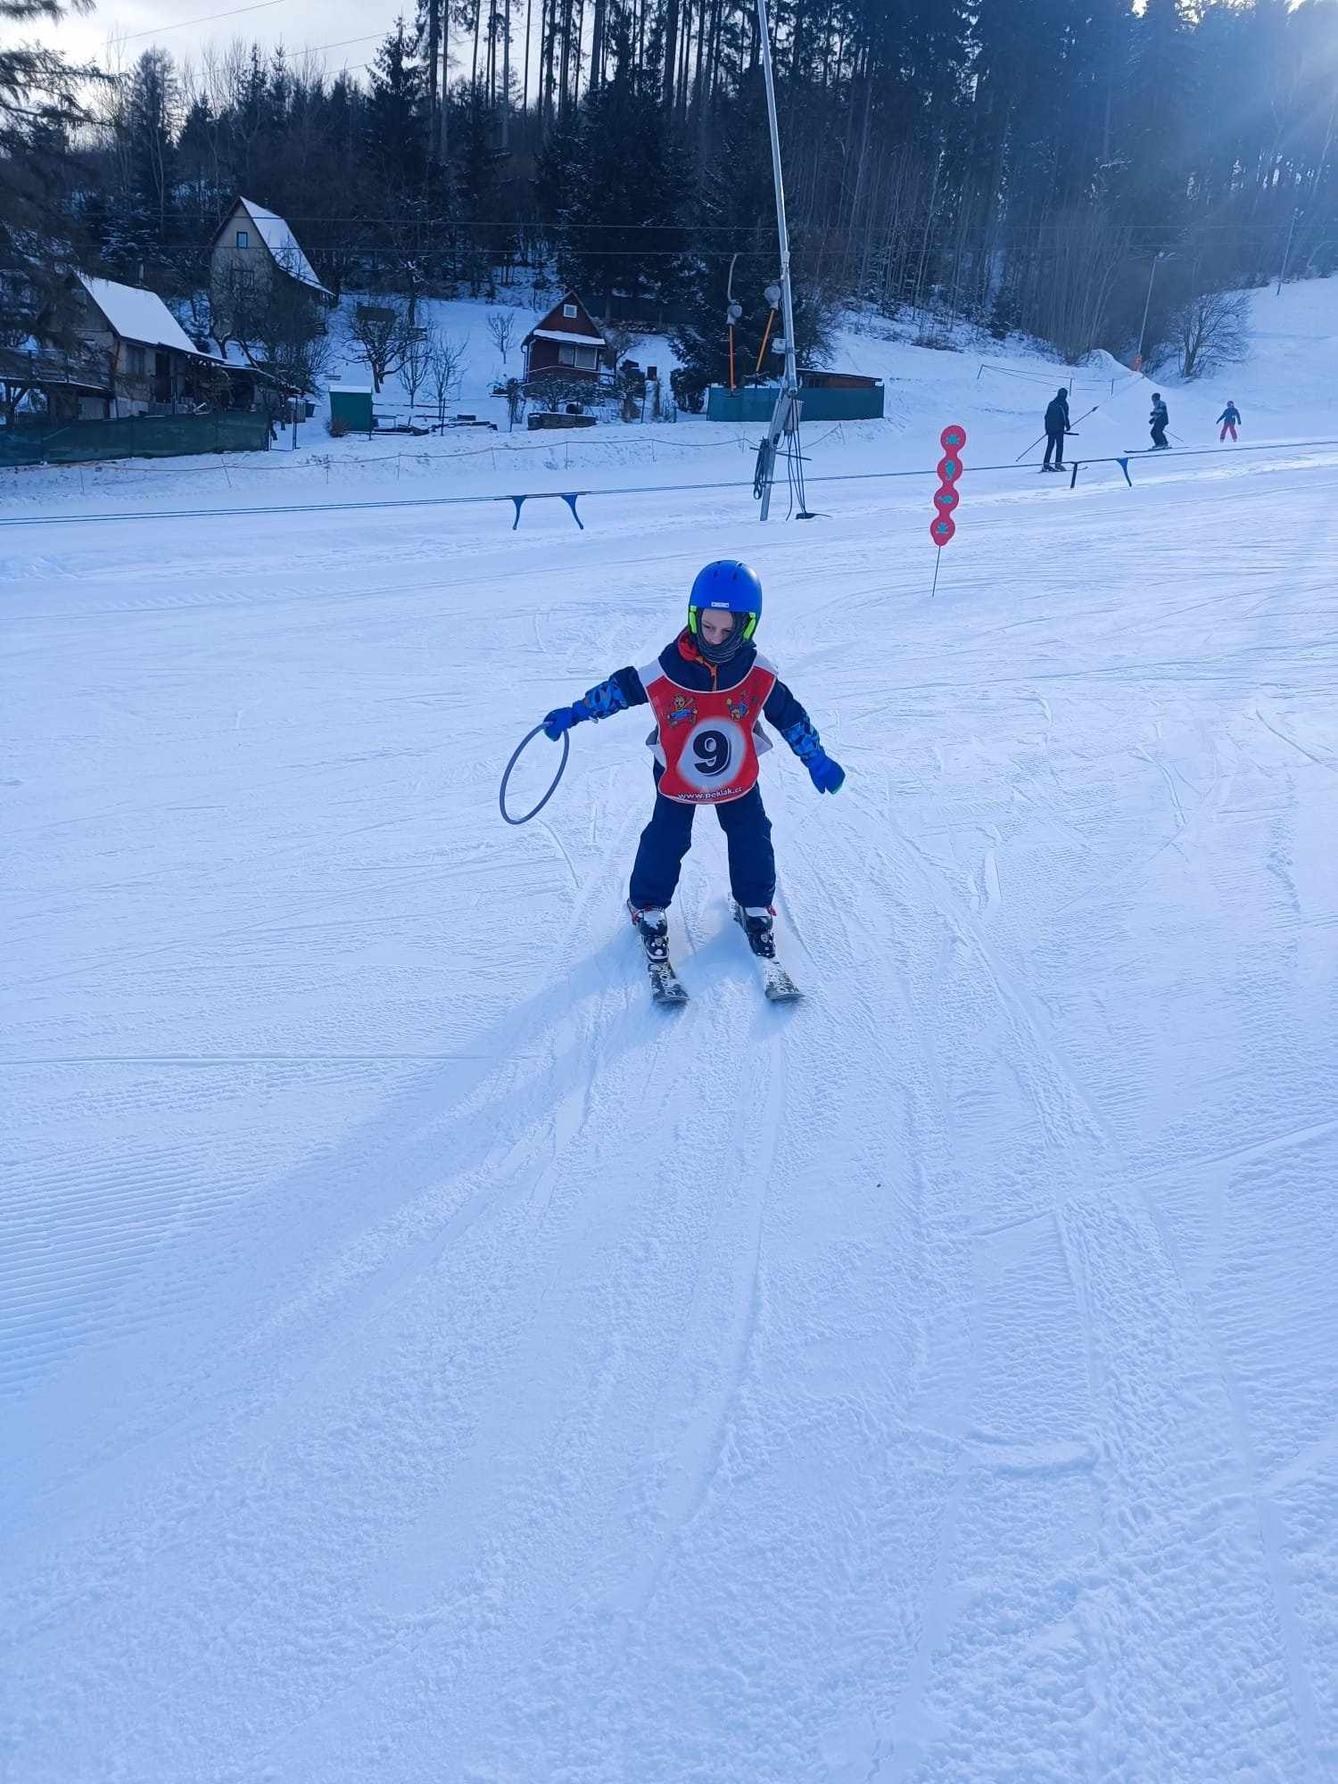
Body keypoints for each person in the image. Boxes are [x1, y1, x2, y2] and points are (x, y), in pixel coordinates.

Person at [541, 560, 844, 965]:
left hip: (736, 774)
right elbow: (622, 688)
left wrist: (816, 758)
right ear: (694, 617)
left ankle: (754, 906)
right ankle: (647, 905)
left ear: (746, 627)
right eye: (708, 626)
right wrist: (577, 712)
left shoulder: (758, 674)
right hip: (678, 773)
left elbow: (789, 716)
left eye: (727, 630)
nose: (715, 638)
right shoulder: (669, 668)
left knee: (752, 833)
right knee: (668, 837)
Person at [1042, 386, 1071, 471]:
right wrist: (1068, 426)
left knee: (1050, 446)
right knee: (1059, 446)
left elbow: (1046, 417)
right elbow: (1065, 416)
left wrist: (1047, 429)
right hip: (1059, 429)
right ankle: (1058, 464)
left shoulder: (1052, 403)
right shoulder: (1063, 404)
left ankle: (1046, 464)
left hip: (1050, 429)